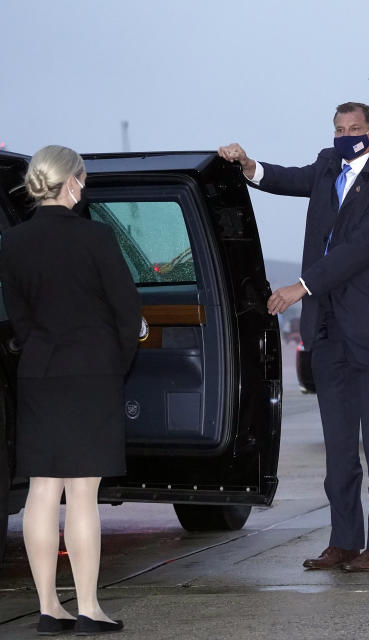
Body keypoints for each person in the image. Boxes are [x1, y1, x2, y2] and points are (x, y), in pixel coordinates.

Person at [218, 102, 369, 572]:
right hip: (329, 330)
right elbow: (290, 178)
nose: (346, 135)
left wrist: (300, 287)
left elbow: (360, 249)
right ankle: (345, 541)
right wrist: (250, 167)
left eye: (355, 129)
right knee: (339, 450)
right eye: (339, 129)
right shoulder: (329, 165)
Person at [0, 145, 141, 634]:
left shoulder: (12, 243)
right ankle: (87, 608)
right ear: (74, 182)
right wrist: (114, 362)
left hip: (39, 373)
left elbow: (19, 318)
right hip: (91, 373)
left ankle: (46, 608)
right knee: (82, 493)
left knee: (42, 489)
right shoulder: (97, 237)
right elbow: (128, 313)